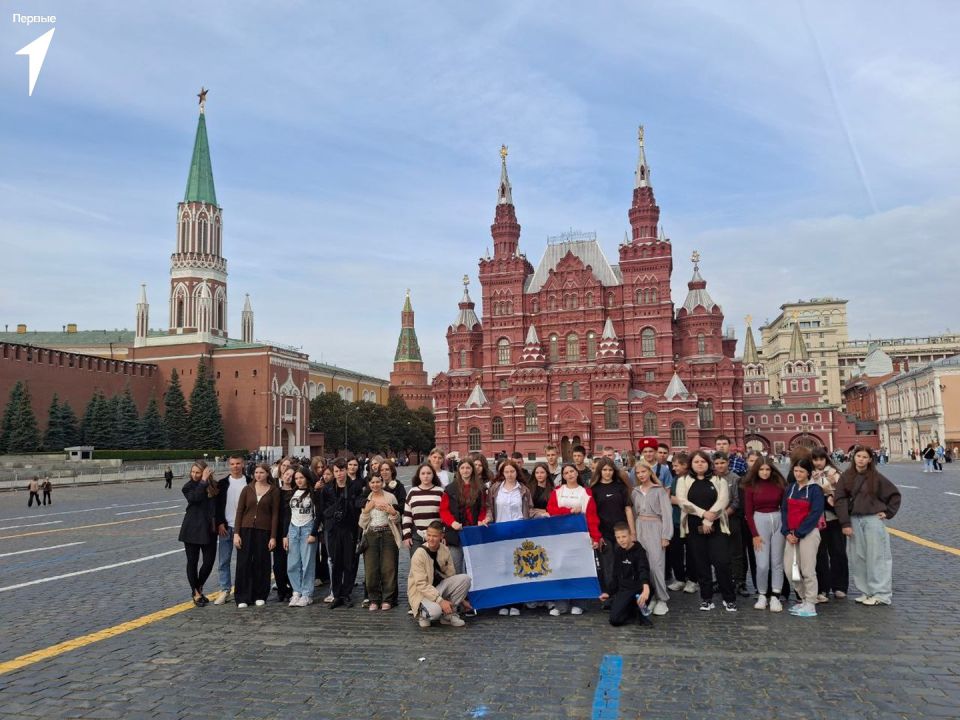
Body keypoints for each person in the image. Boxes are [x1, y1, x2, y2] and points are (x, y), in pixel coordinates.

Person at [834, 446, 901, 606]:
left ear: (870, 460)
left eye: (865, 457)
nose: (861, 459)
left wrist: (888, 512)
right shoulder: (846, 477)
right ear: (854, 457)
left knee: (878, 557)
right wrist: (845, 523)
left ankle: (881, 594)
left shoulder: (876, 477)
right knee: (858, 557)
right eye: (859, 456)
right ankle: (866, 591)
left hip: (872, 520)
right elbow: (840, 499)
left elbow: (894, 495)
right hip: (854, 520)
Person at [675, 450, 737, 612]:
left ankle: (729, 598)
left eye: (702, 461)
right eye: (696, 462)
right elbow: (682, 502)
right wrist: (703, 514)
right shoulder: (683, 480)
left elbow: (723, 500)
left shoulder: (719, 480)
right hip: (694, 526)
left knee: (722, 562)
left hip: (717, 525)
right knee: (701, 564)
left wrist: (709, 519)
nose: (700, 464)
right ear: (691, 464)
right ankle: (706, 598)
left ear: (708, 463)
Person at [546, 463, 601, 615]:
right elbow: (551, 510)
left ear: (577, 473)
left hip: (580, 538)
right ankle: (561, 604)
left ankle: (580, 602)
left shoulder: (586, 493)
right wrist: (569, 511)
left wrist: (595, 537)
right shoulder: (558, 491)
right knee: (560, 568)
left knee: (579, 568)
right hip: (560, 538)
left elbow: (592, 517)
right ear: (563, 476)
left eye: (572, 471)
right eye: (566, 473)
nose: (569, 474)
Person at [482, 458, 532, 617]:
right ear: (502, 473)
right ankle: (504, 601)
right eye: (507, 472)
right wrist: (488, 518)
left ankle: (517, 603)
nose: (510, 474)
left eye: (512, 471)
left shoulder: (523, 490)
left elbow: (529, 510)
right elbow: (489, 508)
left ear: (517, 472)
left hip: (518, 533)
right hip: (500, 533)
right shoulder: (495, 489)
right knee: (502, 567)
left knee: (517, 567)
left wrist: (542, 514)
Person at [781, 457, 825, 618]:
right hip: (791, 534)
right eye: (796, 471)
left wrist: (799, 533)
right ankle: (803, 597)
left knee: (808, 569)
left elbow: (815, 513)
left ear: (809, 473)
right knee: (789, 569)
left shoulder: (815, 490)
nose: (798, 474)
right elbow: (784, 510)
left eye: (801, 471)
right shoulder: (790, 488)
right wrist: (786, 532)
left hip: (808, 534)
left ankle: (811, 602)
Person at [589, 457, 636, 604]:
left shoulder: (620, 487)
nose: (607, 472)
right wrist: (596, 536)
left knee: (623, 564)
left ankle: (624, 594)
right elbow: (592, 514)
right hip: (604, 533)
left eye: (610, 470)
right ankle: (609, 596)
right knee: (607, 566)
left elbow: (628, 509)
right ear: (599, 471)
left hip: (621, 533)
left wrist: (632, 533)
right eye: (604, 470)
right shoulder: (594, 490)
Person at [742, 457, 786, 612]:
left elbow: (784, 507)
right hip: (759, 521)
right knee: (762, 564)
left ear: (772, 470)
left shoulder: (779, 484)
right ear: (756, 470)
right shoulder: (750, 486)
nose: (765, 472)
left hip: (778, 520)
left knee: (777, 562)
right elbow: (748, 512)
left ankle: (775, 595)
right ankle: (762, 594)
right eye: (761, 469)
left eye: (768, 469)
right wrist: (754, 534)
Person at [233, 463, 280, 608]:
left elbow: (275, 515)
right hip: (246, 529)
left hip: (264, 530)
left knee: (262, 562)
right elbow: (239, 511)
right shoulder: (247, 489)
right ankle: (242, 596)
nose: (258, 475)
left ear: (267, 474)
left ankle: (260, 594)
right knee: (244, 563)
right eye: (256, 472)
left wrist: (273, 536)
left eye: (261, 472)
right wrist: (236, 533)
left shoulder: (274, 491)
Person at [407, 521, 471, 628]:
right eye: (429, 535)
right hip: (422, 593)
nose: (431, 539)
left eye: (435, 536)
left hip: (439, 588)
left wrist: (462, 600)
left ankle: (448, 615)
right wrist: (440, 601)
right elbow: (421, 584)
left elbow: (451, 576)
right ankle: (423, 614)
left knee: (465, 579)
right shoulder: (419, 554)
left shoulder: (444, 549)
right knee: (435, 612)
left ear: (441, 536)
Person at [631, 460, 673, 615]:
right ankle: (650, 596)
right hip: (640, 527)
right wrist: (633, 533)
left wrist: (666, 535)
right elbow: (633, 513)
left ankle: (662, 598)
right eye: (638, 473)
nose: (641, 475)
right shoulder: (635, 491)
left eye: (643, 471)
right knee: (643, 565)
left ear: (650, 472)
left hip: (656, 528)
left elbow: (667, 513)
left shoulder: (659, 490)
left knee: (656, 565)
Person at [318, 458, 362, 608]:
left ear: (346, 471)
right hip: (333, 529)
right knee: (336, 562)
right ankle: (336, 594)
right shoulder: (328, 489)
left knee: (349, 562)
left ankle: (346, 594)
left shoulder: (355, 486)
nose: (339, 474)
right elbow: (322, 510)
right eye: (336, 471)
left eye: (342, 470)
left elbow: (358, 506)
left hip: (349, 529)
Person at [359, 472, 402, 611]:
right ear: (369, 484)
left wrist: (392, 512)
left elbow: (398, 519)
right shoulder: (367, 499)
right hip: (371, 534)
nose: (375, 485)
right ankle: (374, 599)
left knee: (389, 568)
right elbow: (362, 523)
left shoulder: (390, 497)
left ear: (382, 482)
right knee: (371, 569)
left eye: (378, 482)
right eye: (372, 482)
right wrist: (366, 510)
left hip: (388, 533)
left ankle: (387, 599)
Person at [179, 462, 219, 606]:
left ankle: (199, 586)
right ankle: (196, 593)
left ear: (205, 472)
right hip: (192, 529)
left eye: (198, 472)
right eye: (193, 472)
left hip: (209, 529)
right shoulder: (188, 486)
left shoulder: (214, 485)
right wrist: (202, 481)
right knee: (192, 562)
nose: (194, 475)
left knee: (209, 562)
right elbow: (194, 498)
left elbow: (218, 506)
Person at [213, 455, 251, 605]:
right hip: (226, 527)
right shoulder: (222, 483)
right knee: (224, 561)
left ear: (243, 464)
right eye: (233, 464)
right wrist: (219, 523)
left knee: (245, 561)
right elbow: (217, 505)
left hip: (244, 527)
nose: (235, 466)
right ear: (229, 465)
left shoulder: (250, 482)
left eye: (238, 463)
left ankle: (245, 588)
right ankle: (225, 589)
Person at [598, 522, 652, 627]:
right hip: (624, 589)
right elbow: (615, 576)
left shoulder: (639, 551)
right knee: (615, 620)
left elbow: (643, 570)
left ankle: (638, 610)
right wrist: (608, 592)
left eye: (624, 536)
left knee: (644, 592)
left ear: (631, 536)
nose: (621, 540)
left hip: (638, 588)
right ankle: (631, 609)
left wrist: (646, 588)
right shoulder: (618, 552)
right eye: (618, 537)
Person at [811, 448, 847, 601]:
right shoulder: (809, 474)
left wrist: (832, 486)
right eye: (815, 459)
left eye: (821, 459)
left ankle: (840, 586)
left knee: (838, 552)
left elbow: (844, 494)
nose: (818, 462)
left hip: (834, 518)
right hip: (817, 520)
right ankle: (822, 588)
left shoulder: (835, 473)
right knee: (820, 554)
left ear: (826, 459)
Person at [440, 459, 487, 574]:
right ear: (459, 470)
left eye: (468, 468)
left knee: (473, 567)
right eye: (462, 468)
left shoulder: (481, 488)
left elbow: (483, 508)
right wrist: (452, 522)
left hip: (473, 532)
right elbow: (443, 510)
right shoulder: (450, 489)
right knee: (455, 566)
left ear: (472, 470)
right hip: (455, 533)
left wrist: (481, 520)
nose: (465, 471)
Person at [714, 452, 750, 597]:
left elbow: (737, 501)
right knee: (720, 553)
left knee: (736, 552)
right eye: (717, 463)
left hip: (732, 518)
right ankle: (722, 581)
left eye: (722, 463)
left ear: (728, 463)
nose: (720, 466)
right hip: (715, 520)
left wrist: (723, 515)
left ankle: (740, 582)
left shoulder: (735, 478)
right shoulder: (712, 478)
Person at [285, 467, 320, 607]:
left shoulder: (313, 493)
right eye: (296, 478)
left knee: (307, 564)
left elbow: (318, 514)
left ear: (307, 478)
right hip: (293, 529)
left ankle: (307, 594)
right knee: (292, 563)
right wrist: (286, 534)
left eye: (301, 477)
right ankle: (296, 591)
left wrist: (313, 533)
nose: (299, 480)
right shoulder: (292, 493)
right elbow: (288, 514)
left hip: (307, 528)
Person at [666, 453, 697, 594]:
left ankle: (692, 580)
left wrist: (678, 500)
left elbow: (694, 500)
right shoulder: (676, 479)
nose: (674, 468)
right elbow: (670, 497)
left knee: (692, 553)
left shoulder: (694, 479)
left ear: (685, 465)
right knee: (675, 552)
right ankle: (679, 579)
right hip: (676, 521)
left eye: (676, 465)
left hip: (690, 521)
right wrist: (680, 500)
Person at [402, 463, 445, 557]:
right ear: (419, 475)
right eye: (423, 473)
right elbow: (407, 516)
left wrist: (444, 534)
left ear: (433, 475)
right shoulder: (412, 492)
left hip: (436, 536)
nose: (426, 476)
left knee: (436, 564)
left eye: (429, 473)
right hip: (417, 536)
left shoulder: (440, 492)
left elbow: (444, 515)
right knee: (417, 563)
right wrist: (407, 535)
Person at [273, 466, 296, 603]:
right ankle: (281, 589)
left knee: (292, 562)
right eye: (287, 474)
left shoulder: (297, 492)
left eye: (292, 475)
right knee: (278, 563)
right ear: (282, 475)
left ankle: (292, 588)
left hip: (293, 529)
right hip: (278, 530)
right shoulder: (276, 491)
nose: (288, 477)